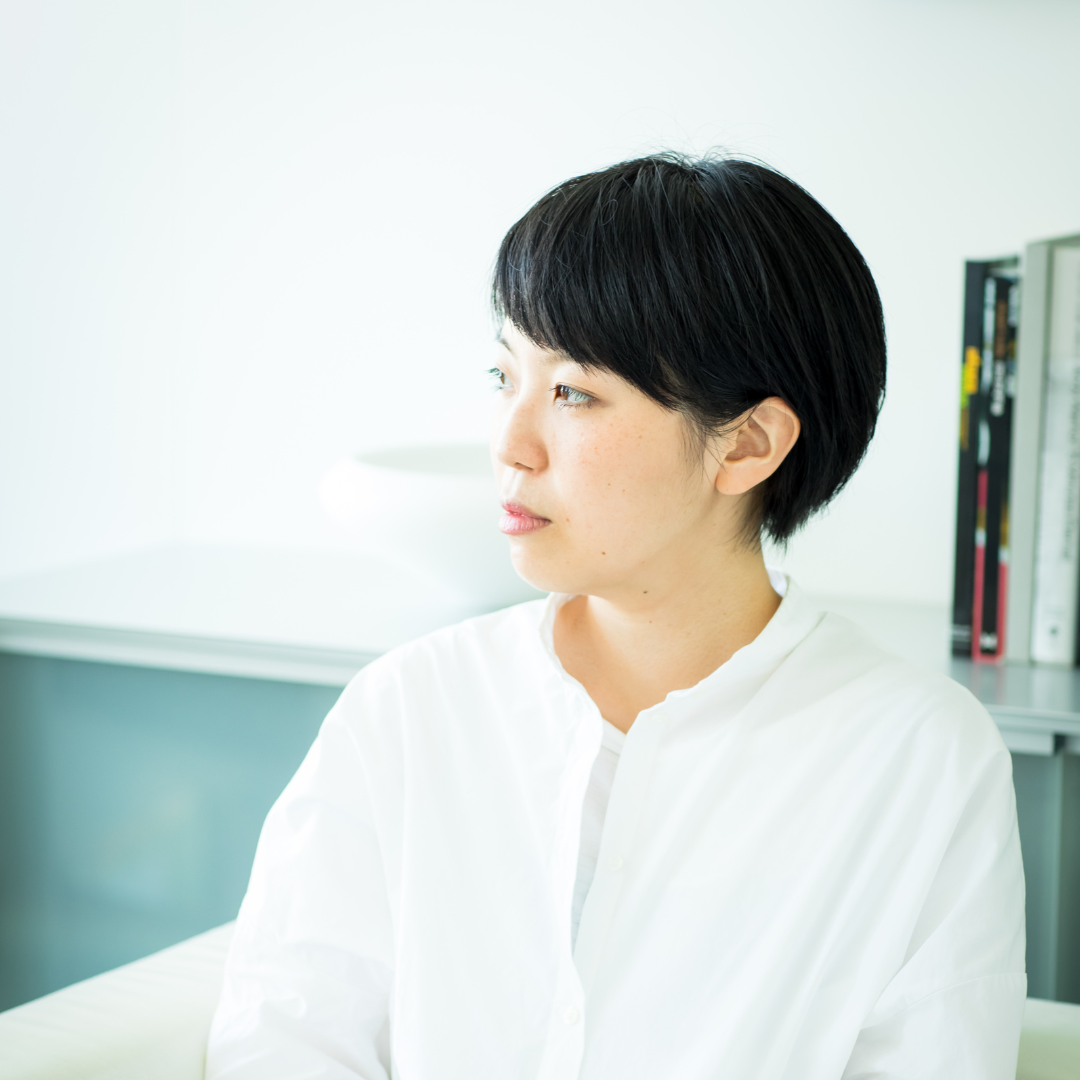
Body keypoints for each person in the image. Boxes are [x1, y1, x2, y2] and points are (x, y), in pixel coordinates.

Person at [205, 154, 1025, 1079]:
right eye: (504, 375)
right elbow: (285, 1038)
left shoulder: (918, 756)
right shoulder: (411, 707)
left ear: (747, 444)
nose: (510, 444)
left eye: (572, 393)